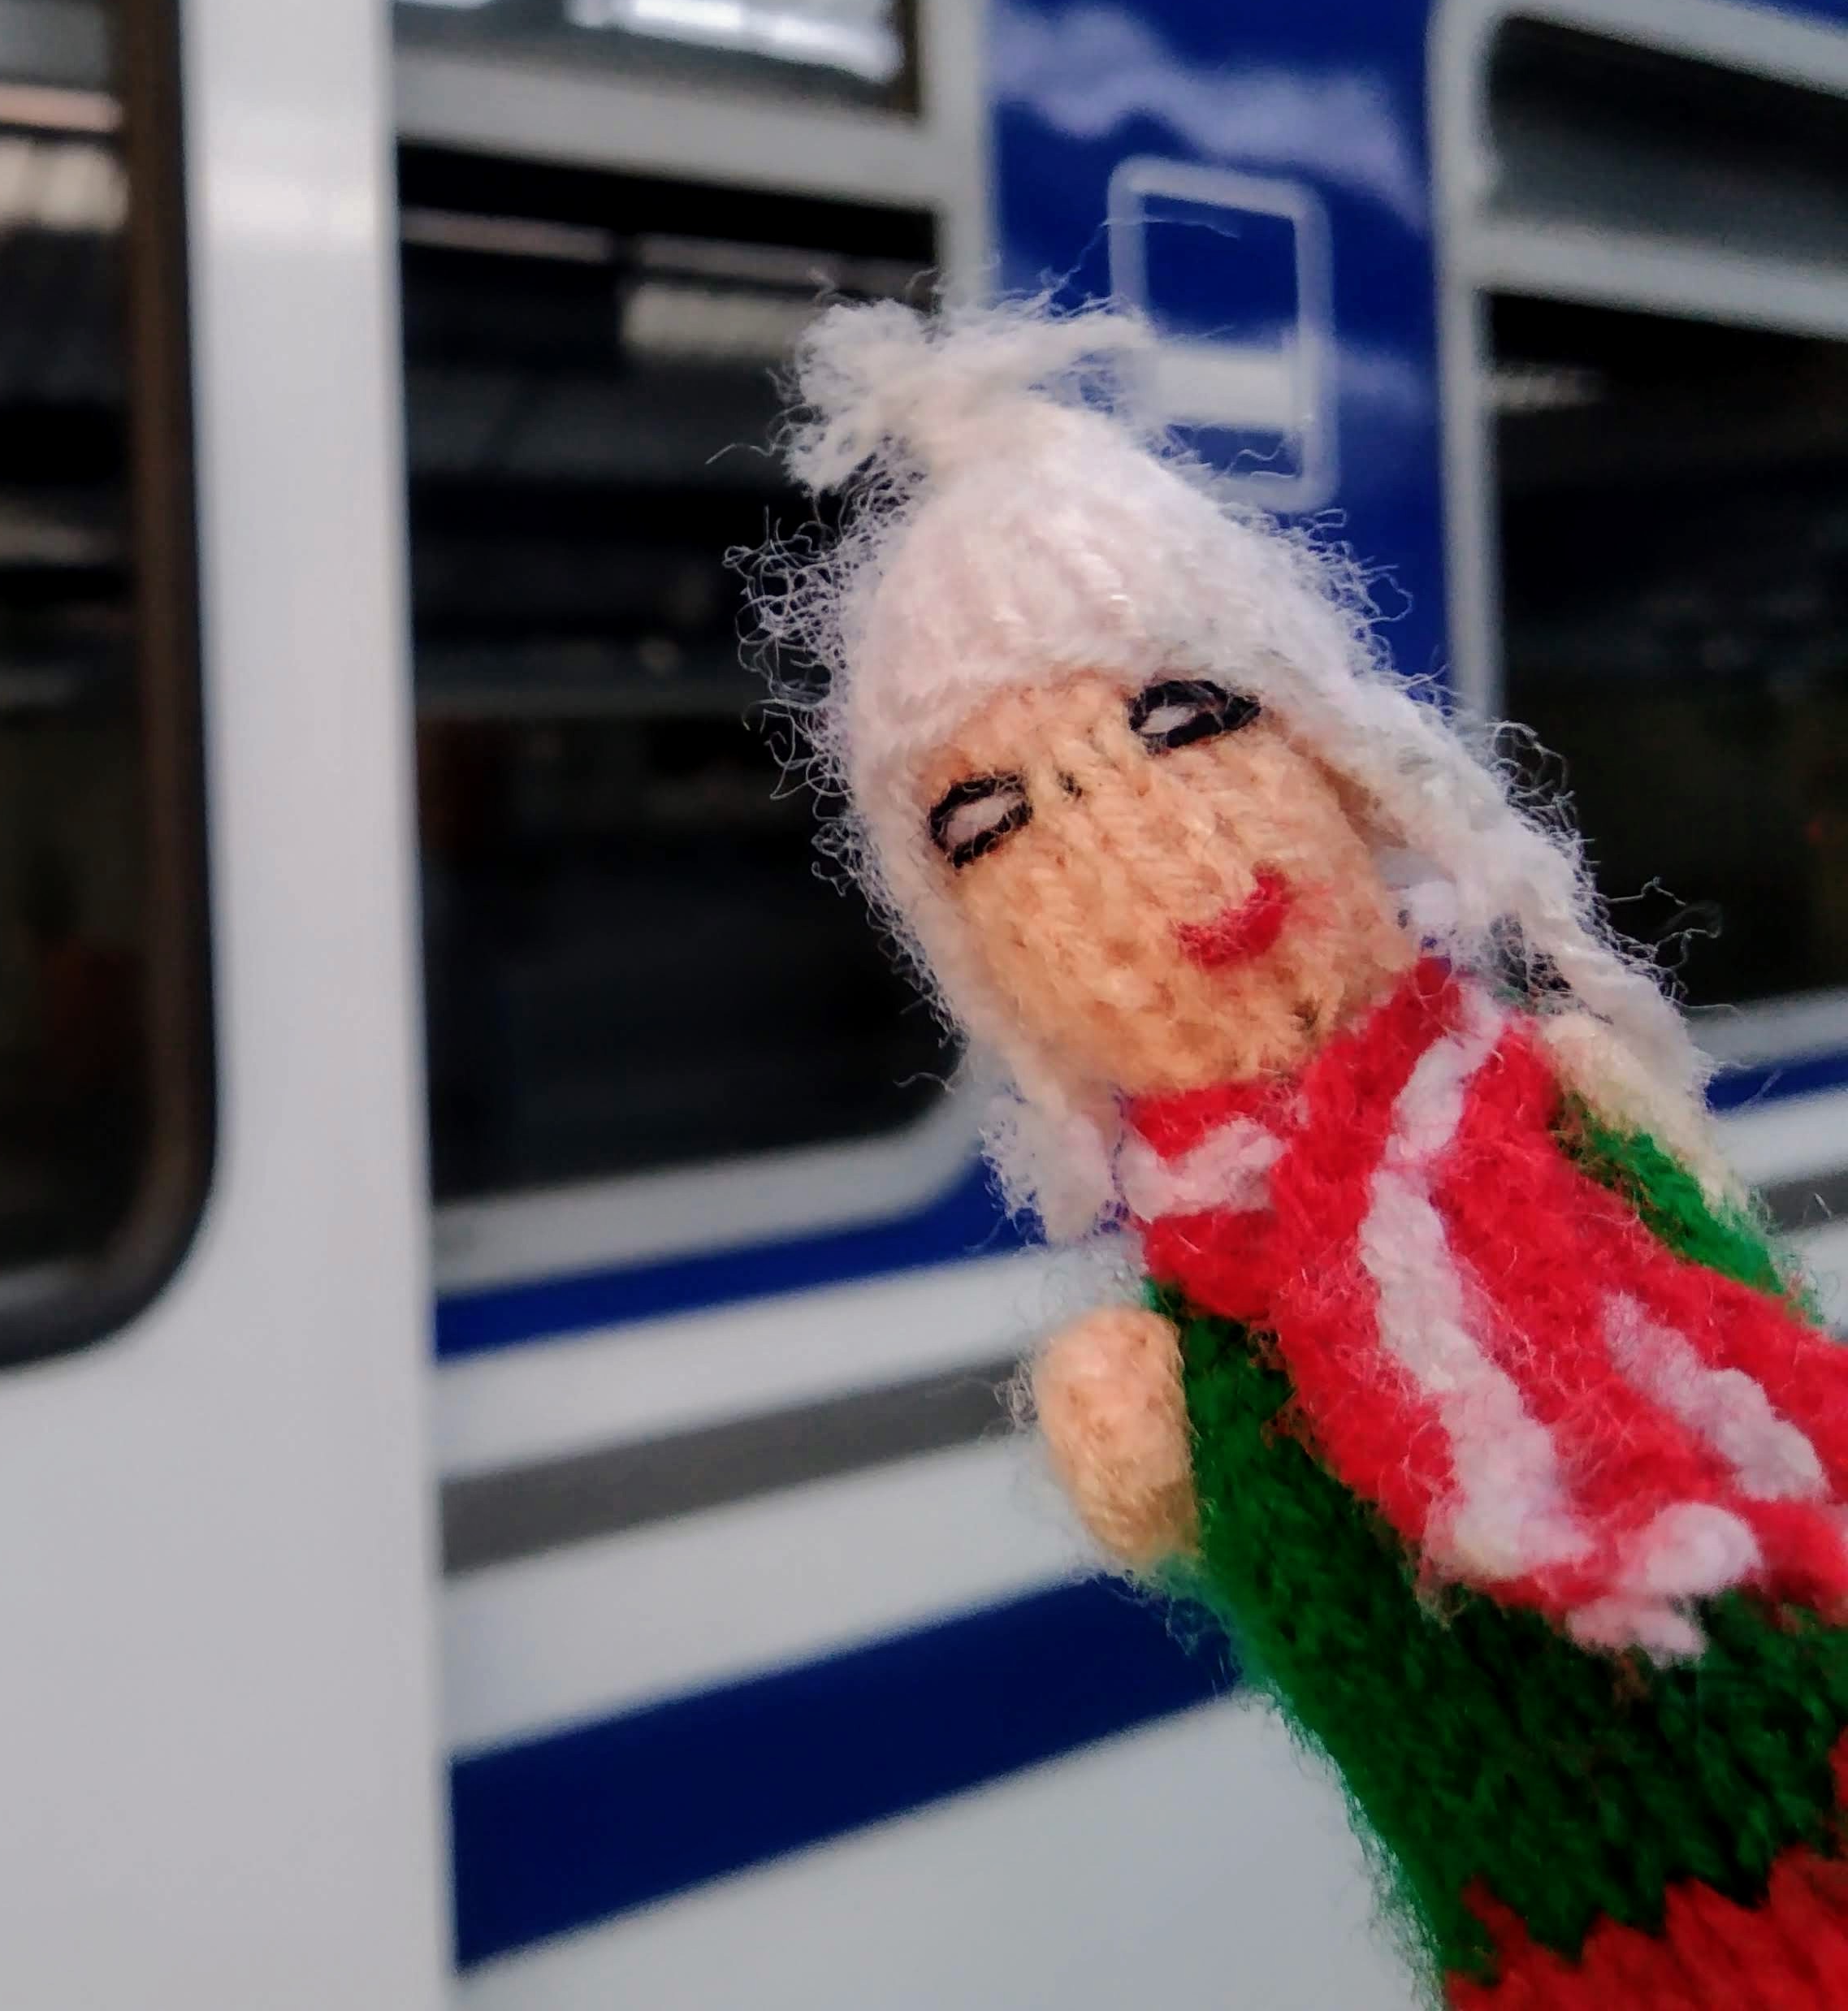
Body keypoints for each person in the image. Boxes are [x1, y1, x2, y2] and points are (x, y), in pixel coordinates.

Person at [765, 301, 1848, 2008]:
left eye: (1188, 722)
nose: (1144, 847)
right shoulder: (1185, 1336)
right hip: (1568, 1951)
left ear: (1330, 756)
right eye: (997, 824)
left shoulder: (1552, 1107)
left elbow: (1744, 1332)